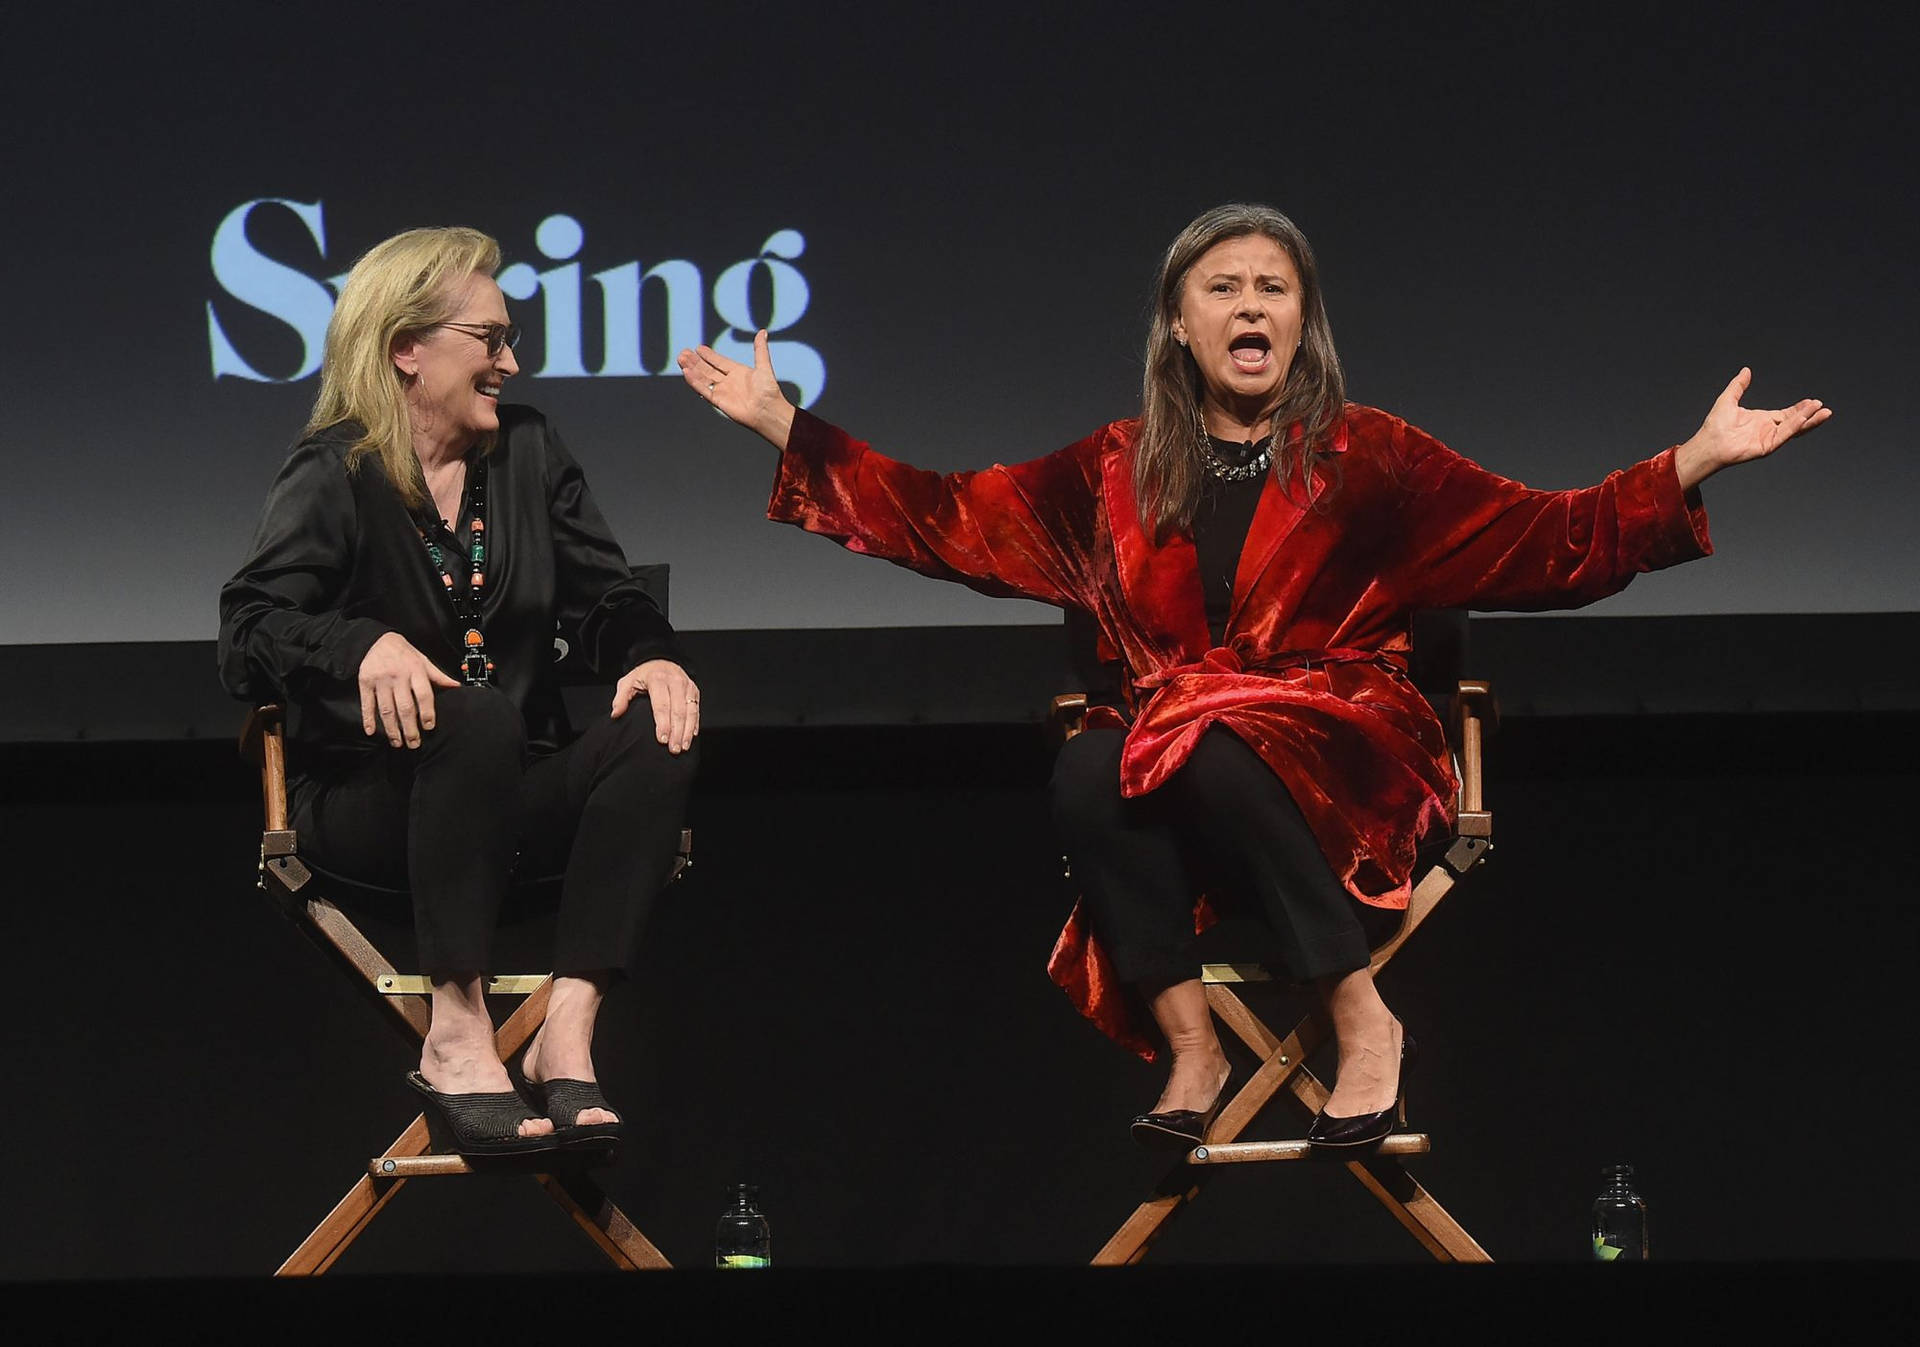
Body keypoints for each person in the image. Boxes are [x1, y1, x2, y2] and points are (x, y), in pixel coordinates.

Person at [677, 202, 1829, 1151]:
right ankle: (1193, 1044)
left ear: (1303, 322)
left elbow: (1542, 537)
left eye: (1273, 288)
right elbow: (951, 519)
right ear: (1179, 323)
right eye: (1223, 288)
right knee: (1087, 771)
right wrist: (790, 429)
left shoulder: (1371, 458)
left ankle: (1363, 1024)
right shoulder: (1115, 469)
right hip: (1189, 743)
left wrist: (1692, 463)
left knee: (1214, 738)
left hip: (1346, 742)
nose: (1250, 307)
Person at [220, 227, 699, 1156]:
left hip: (511, 800)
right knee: (472, 711)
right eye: (491, 339)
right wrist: (361, 644)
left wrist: (650, 651)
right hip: (374, 811)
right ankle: (455, 1028)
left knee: (661, 720)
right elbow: (247, 630)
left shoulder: (529, 453)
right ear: (408, 347)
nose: (511, 362)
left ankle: (568, 1028)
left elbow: (611, 595)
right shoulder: (336, 469)